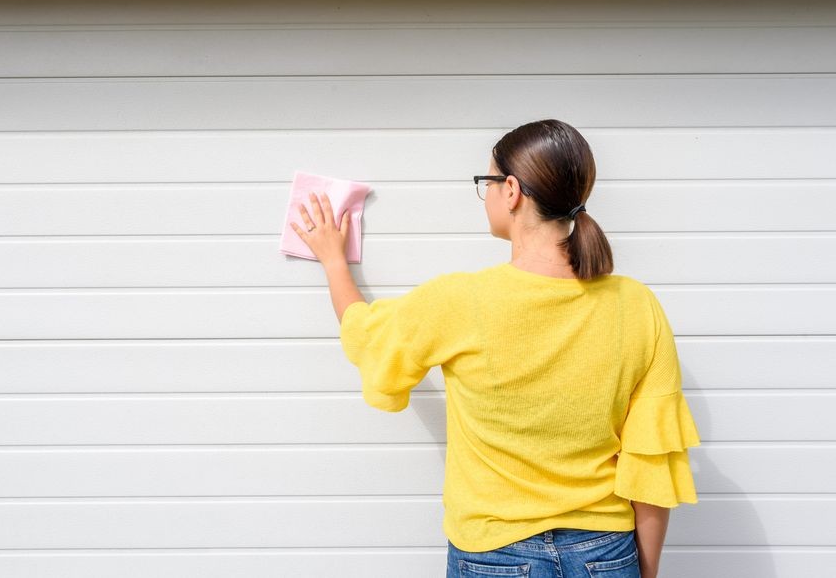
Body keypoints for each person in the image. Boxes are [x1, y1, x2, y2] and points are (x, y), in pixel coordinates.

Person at [289, 118, 699, 578]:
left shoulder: (460, 301)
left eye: (486, 183)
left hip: (494, 554)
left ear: (511, 191)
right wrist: (640, 571)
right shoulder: (637, 306)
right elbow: (650, 465)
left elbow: (366, 335)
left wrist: (331, 260)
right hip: (605, 554)